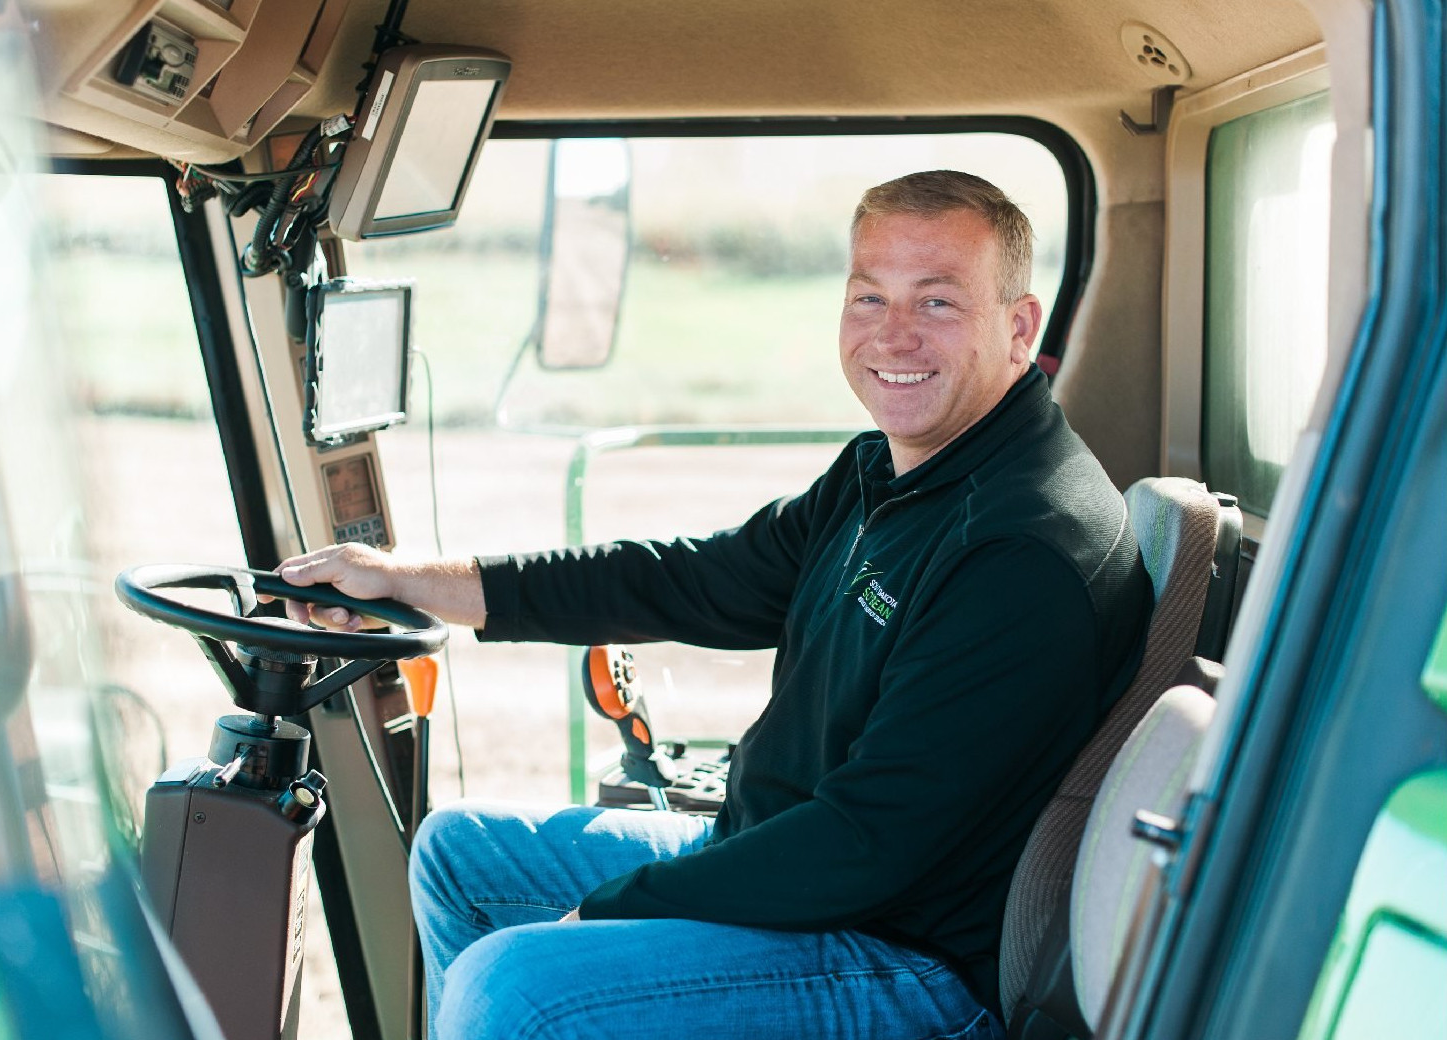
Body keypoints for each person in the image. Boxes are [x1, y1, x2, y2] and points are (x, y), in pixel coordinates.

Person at [274, 171, 1152, 1040]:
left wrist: (610, 913)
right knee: (461, 854)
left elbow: (863, 844)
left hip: (907, 960)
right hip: (790, 864)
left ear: (1018, 325)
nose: (893, 336)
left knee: (517, 988)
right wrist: (406, 579)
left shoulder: (1020, 550)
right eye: (868, 298)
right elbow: (685, 579)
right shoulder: (884, 472)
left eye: (937, 304)